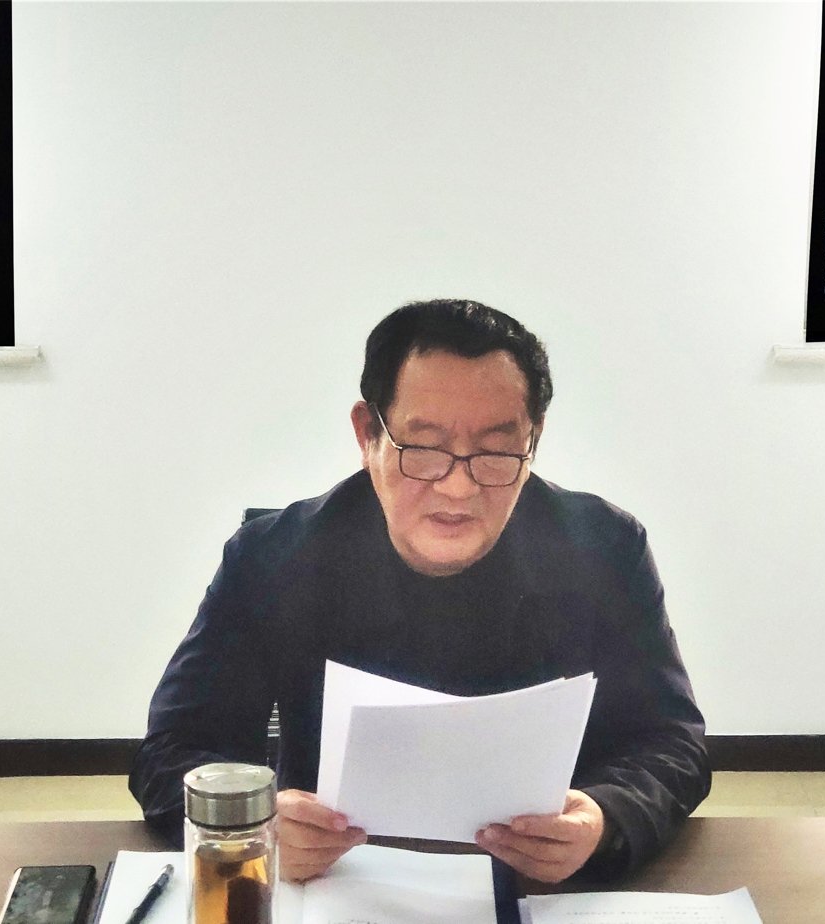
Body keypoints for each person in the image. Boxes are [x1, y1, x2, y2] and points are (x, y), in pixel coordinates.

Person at [130, 299, 709, 884]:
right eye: (425, 450)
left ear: (533, 439)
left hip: (545, 887)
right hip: (335, 883)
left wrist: (605, 820)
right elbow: (174, 749)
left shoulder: (603, 548)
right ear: (368, 435)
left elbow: (669, 741)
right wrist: (256, 828)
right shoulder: (274, 557)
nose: (458, 487)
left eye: (495, 451)